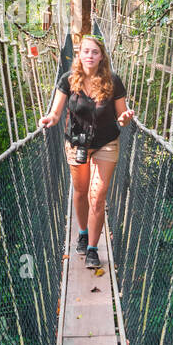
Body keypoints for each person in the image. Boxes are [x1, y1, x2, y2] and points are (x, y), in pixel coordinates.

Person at [38, 34, 134, 269]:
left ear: (102, 57)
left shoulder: (113, 81)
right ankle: (82, 232)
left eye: (95, 52)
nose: (89, 56)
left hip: (106, 142)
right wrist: (49, 119)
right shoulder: (68, 80)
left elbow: (122, 119)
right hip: (77, 143)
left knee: (98, 196)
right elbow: (56, 113)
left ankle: (92, 248)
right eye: (85, 51)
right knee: (81, 193)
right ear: (79, 55)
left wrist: (124, 118)